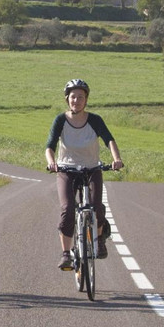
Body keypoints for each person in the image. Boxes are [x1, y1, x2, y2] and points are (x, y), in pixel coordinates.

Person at [45, 78, 123, 270]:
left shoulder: (95, 120)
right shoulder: (61, 120)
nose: (76, 101)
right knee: (68, 209)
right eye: (73, 97)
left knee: (96, 205)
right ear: (67, 99)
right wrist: (52, 163)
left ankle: (98, 240)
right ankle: (66, 254)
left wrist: (116, 159)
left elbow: (109, 140)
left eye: (81, 97)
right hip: (66, 170)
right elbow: (49, 147)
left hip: (91, 168)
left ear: (86, 99)